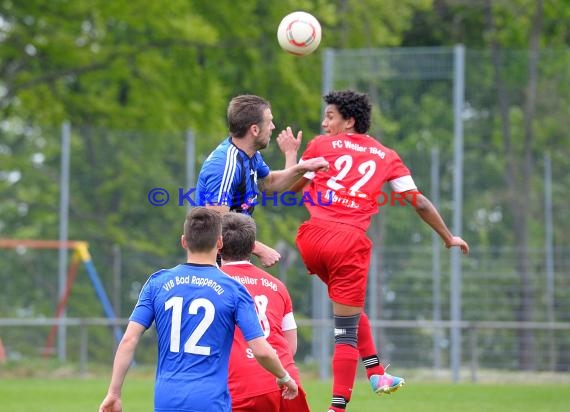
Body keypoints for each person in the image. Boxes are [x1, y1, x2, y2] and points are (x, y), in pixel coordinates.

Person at [283, 90, 470, 412]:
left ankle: (375, 372)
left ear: (349, 120)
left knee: (349, 314)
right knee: (345, 331)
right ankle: (337, 408)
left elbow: (290, 187)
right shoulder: (387, 156)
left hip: (311, 238)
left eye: (330, 116)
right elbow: (420, 202)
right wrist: (448, 236)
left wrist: (290, 155)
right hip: (348, 244)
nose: (324, 122)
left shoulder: (320, 146)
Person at [98, 207, 298, 412]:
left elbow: (129, 340)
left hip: (167, 398)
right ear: (219, 243)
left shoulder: (157, 283)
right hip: (211, 400)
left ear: (184, 241)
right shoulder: (234, 289)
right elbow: (260, 350)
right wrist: (284, 377)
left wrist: (114, 393)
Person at [196, 94, 328, 267]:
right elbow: (215, 224)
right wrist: (258, 248)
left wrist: (303, 168)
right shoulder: (225, 165)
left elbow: (270, 184)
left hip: (230, 254)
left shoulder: (251, 156)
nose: (273, 127)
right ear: (255, 130)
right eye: (269, 121)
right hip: (213, 260)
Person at [220, 213, 311, 412]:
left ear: (218, 244)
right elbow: (290, 346)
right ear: (253, 245)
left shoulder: (215, 284)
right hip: (286, 380)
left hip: (242, 386)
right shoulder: (277, 286)